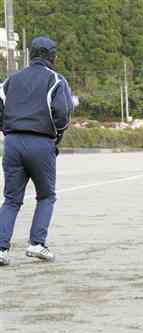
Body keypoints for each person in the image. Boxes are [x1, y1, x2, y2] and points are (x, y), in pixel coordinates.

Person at [0, 36, 74, 266]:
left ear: (31, 54)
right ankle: (36, 244)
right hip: (41, 143)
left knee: (11, 199)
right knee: (46, 195)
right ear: (53, 57)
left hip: (12, 142)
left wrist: (7, 130)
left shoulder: (11, 80)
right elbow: (63, 113)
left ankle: (1, 249)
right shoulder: (55, 80)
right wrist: (57, 137)